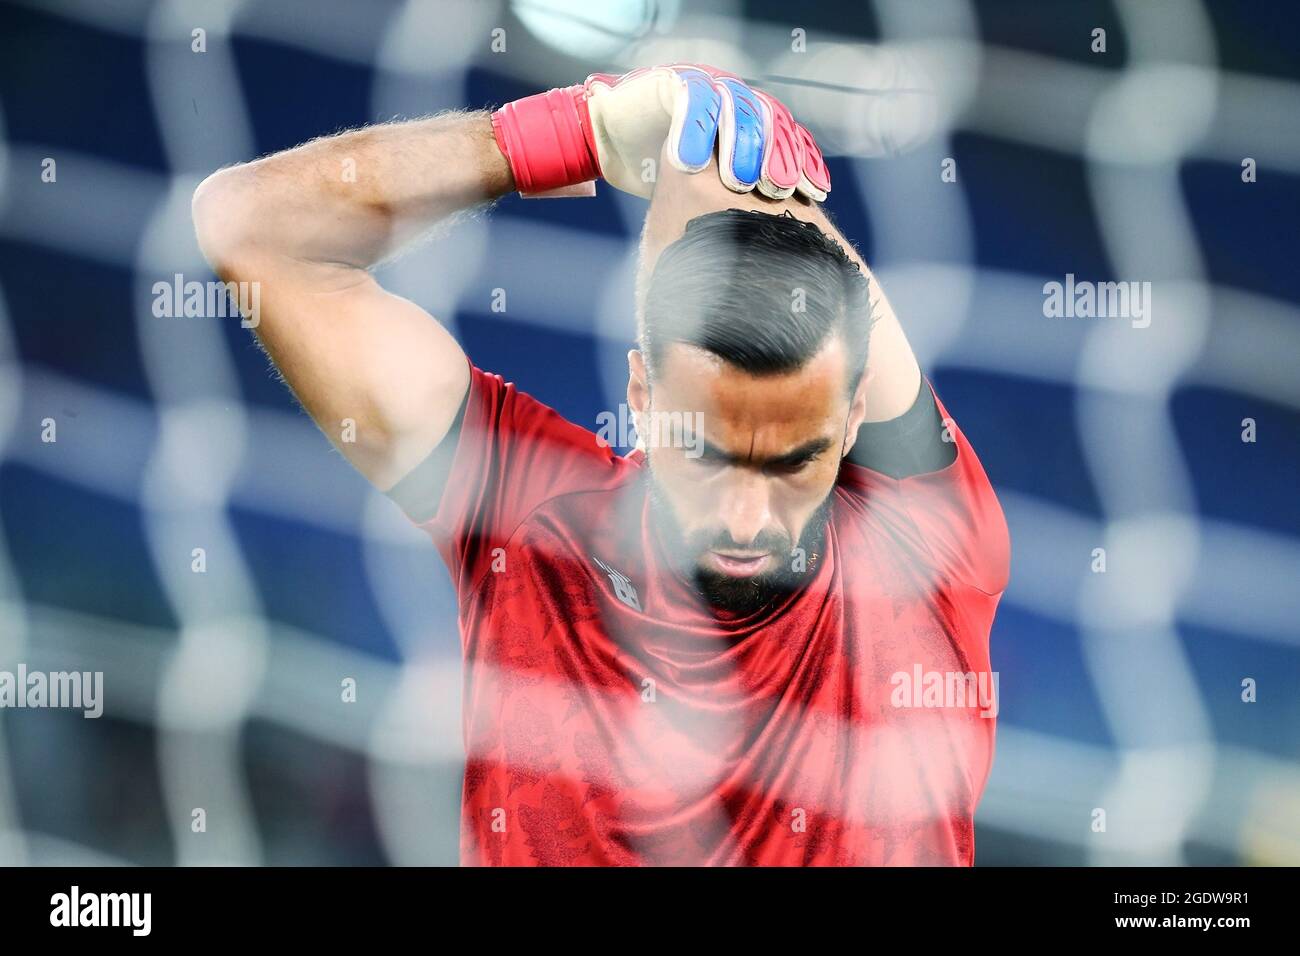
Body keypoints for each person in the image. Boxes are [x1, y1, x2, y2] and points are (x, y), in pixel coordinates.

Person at [192, 64, 1010, 865]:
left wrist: (716, 126)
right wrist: (573, 131)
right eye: (708, 452)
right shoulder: (528, 518)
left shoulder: (923, 556)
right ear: (642, 396)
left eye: (796, 463)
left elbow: (830, 295)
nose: (748, 521)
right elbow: (251, 227)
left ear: (854, 416)